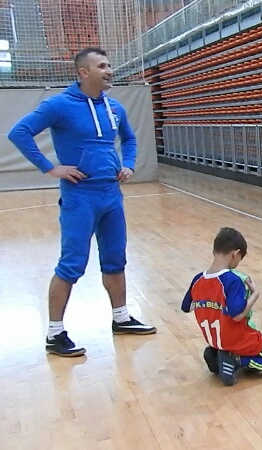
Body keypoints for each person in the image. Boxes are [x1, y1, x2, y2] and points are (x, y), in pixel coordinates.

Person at [7, 47, 156, 358]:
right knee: (72, 264)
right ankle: (54, 334)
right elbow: (19, 132)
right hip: (80, 197)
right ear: (83, 72)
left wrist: (129, 164)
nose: (109, 70)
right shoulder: (60, 105)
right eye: (102, 66)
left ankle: (121, 318)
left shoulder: (114, 107)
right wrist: (50, 168)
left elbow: (129, 139)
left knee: (115, 259)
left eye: (109, 65)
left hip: (111, 195)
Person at [181, 227, 262, 386]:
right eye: (240, 258)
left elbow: (186, 307)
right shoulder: (232, 280)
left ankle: (219, 352)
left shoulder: (198, 279)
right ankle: (236, 359)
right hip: (240, 340)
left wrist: (210, 303)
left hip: (215, 339)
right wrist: (255, 294)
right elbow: (237, 315)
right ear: (235, 254)